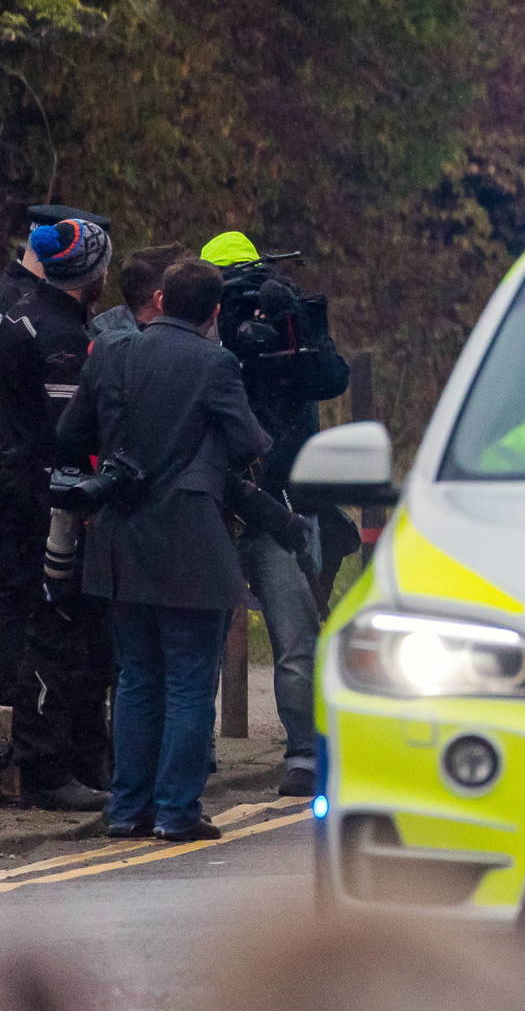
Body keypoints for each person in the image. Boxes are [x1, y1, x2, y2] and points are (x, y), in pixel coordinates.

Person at [53, 258, 269, 842]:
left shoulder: (114, 354)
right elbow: (249, 441)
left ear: (160, 299)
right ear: (215, 312)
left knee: (137, 678)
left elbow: (71, 433)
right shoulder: (215, 363)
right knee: (189, 680)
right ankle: (176, 812)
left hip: (121, 536)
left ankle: (127, 809)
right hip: (191, 541)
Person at [200, 230, 347, 796]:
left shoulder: (289, 319)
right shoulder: (203, 328)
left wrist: (300, 333)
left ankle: (305, 753)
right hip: (220, 496)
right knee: (208, 637)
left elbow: (332, 379)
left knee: (295, 635)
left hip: (282, 498)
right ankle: (199, 751)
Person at [0, 218, 116, 809]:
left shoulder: (15, 311)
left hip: (16, 488)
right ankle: (47, 764)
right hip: (44, 499)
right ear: (93, 273)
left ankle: (73, 755)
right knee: (56, 631)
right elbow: (70, 432)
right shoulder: (60, 335)